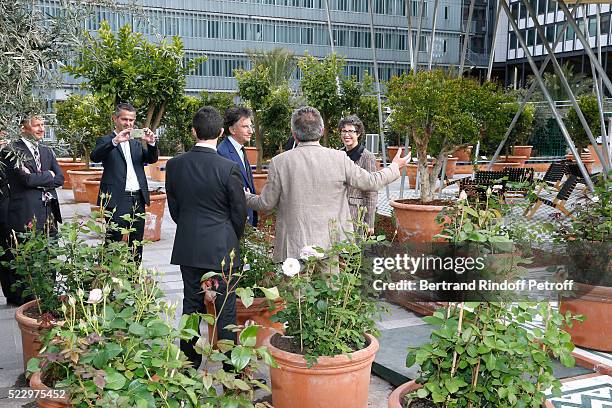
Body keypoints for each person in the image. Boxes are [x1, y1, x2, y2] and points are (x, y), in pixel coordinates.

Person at [245, 106, 410, 263]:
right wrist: (395, 167)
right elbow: (372, 182)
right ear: (322, 131)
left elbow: (265, 204)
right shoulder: (339, 158)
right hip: (331, 243)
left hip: (294, 245)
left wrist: (245, 196)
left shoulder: (279, 162)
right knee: (332, 290)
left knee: (296, 291)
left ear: (294, 134)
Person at [165, 106, 247, 369]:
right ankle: (230, 370)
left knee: (191, 305)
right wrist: (231, 237)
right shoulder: (228, 167)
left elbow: (175, 209)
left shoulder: (175, 165)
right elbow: (239, 212)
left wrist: (191, 228)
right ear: (221, 132)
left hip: (189, 246)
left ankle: (189, 365)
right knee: (225, 310)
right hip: (222, 247)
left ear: (193, 131)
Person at [2, 116, 64, 305]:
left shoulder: (46, 150)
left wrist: (41, 176)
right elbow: (25, 180)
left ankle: (48, 293)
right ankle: (26, 299)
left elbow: (60, 178)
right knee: (27, 253)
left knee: (50, 252)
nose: (42, 129)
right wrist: (48, 176)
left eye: (43, 125)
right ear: (24, 127)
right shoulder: (11, 150)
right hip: (25, 211)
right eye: (37, 125)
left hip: (49, 211)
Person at [90, 103, 158, 264]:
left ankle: (133, 278)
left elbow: (151, 159)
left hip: (138, 198)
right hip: (117, 199)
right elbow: (95, 156)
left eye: (132, 120)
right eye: (124, 119)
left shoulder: (136, 142)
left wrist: (151, 143)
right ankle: (107, 277)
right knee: (113, 240)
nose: (128, 123)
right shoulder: (106, 140)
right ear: (115, 119)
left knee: (136, 242)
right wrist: (114, 141)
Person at [218, 107, 257, 227]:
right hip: (233, 222)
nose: (251, 131)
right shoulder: (223, 152)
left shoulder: (239, 148)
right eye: (245, 126)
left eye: (251, 126)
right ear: (232, 130)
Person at [339, 115, 377, 235]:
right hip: (338, 210)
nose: (346, 135)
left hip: (356, 213)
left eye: (351, 131)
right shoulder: (338, 154)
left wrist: (370, 222)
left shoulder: (367, 156)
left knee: (354, 250)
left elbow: (372, 190)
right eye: (344, 131)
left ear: (358, 134)